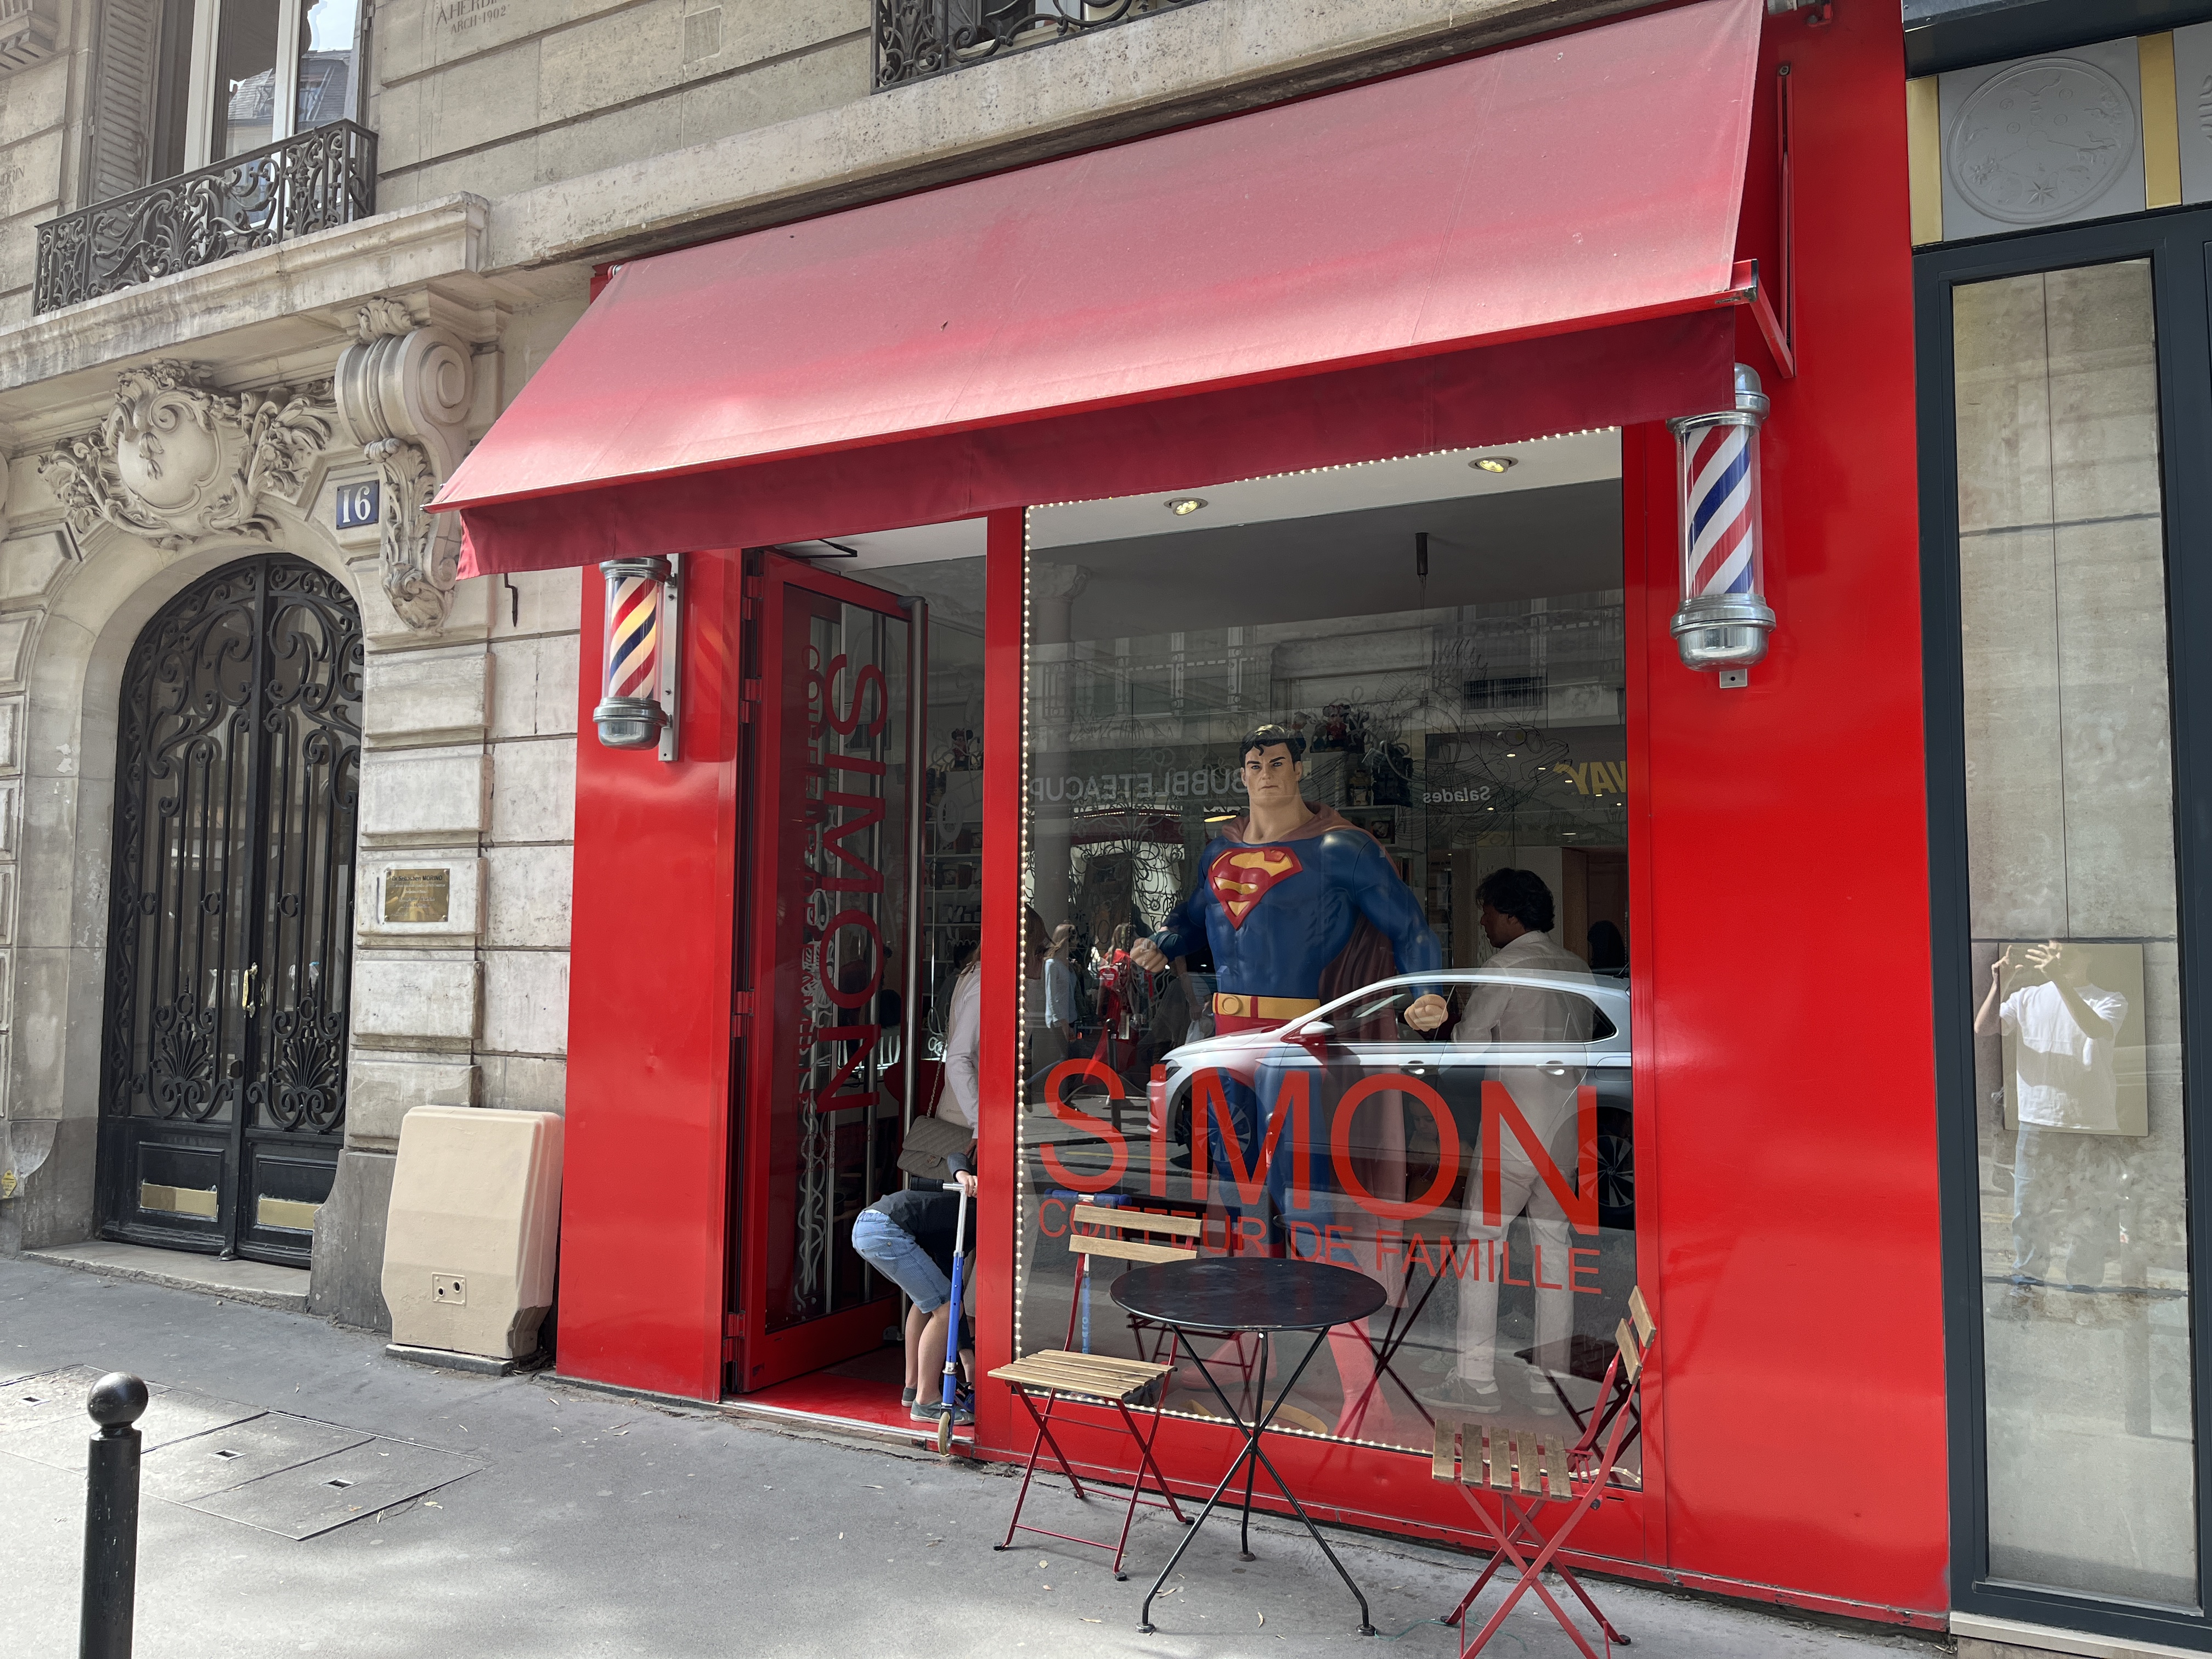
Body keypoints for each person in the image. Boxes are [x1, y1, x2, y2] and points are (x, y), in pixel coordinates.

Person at [1133, 723, 1446, 1434]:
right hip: (1226, 1043)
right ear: (1243, 775)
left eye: (1278, 762)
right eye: (1255, 763)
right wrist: (1160, 942)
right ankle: (1250, 1348)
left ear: (1299, 770)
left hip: (1297, 1043)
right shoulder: (1217, 851)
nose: (1267, 773)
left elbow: (1408, 926)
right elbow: (1191, 920)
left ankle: (1362, 1387)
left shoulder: (1341, 849)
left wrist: (1426, 991)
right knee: (1243, 1202)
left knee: (1307, 1210)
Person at [1431, 868, 1594, 1417]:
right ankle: (1551, 1382)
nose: (1483, 922)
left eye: (1487, 912)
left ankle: (1476, 1380)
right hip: (1564, 1129)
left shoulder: (1504, 968)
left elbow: (1467, 1047)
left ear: (1509, 914)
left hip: (1512, 1129)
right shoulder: (1577, 968)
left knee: (1482, 1246)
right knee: (1555, 1251)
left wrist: (1443, 1029)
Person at [1974, 940, 2130, 1302]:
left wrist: (2059, 979)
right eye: (2052, 950)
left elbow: (2094, 1029)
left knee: (2089, 1213)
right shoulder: (2028, 997)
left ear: (2089, 956)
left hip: (2090, 1125)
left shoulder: (2109, 999)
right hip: (2036, 1122)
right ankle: (2026, 1289)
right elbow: (1984, 1027)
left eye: (2066, 952)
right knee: (2030, 1213)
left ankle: (2083, 1294)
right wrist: (2000, 984)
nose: (2056, 957)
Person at [851, 1159, 981, 1423]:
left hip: (868, 1225)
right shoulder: (976, 1215)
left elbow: (952, 1288)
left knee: (932, 1304)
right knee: (945, 1309)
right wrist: (963, 1174)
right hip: (885, 1230)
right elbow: (956, 1156)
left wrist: (967, 1356)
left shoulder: (965, 1212)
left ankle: (912, 1388)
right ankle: (927, 1402)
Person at [938, 946, 981, 1134]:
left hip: (959, 1108)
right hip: (965, 1116)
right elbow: (958, 1058)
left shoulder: (970, 975)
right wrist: (980, 1123)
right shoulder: (982, 981)